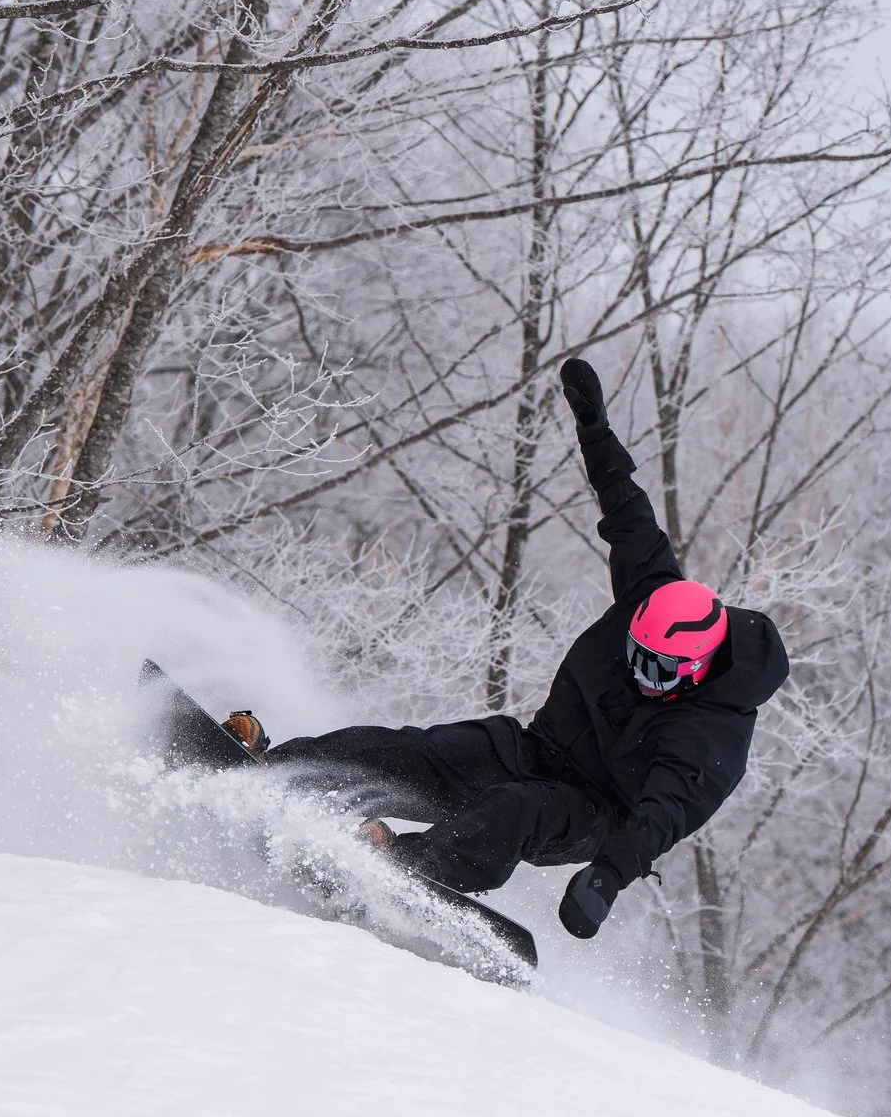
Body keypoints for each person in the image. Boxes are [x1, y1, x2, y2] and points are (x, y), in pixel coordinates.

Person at [259, 357, 789, 940]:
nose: (640, 675)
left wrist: (606, 878)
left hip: (595, 809)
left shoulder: (712, 737)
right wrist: (595, 429)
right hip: (537, 748)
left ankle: (402, 866)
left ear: (696, 669)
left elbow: (659, 819)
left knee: (514, 811)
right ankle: (279, 773)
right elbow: (627, 510)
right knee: (423, 754)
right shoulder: (652, 591)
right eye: (635, 653)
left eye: (657, 670)